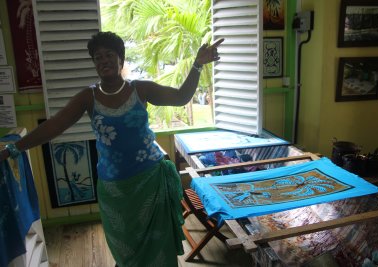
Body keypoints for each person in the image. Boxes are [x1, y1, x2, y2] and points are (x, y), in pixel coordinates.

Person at [0, 31, 224, 267]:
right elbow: (55, 125)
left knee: (159, 249)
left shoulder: (141, 89)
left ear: (121, 60)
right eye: (98, 57)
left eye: (109, 55)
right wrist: (13, 149)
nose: (103, 60)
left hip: (151, 184)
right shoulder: (88, 97)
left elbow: (181, 97)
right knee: (125, 249)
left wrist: (198, 64)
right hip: (115, 191)